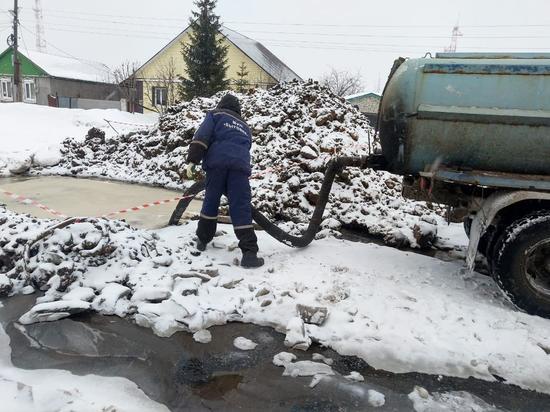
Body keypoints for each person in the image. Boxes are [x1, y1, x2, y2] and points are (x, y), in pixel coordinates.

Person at [186, 93, 264, 268]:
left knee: (211, 201)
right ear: (238, 110)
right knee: (241, 207)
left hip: (217, 165)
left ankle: (203, 239)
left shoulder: (215, 115)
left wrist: (192, 160)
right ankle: (249, 253)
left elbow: (202, 136)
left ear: (221, 105)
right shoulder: (245, 126)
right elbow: (247, 146)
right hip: (240, 168)